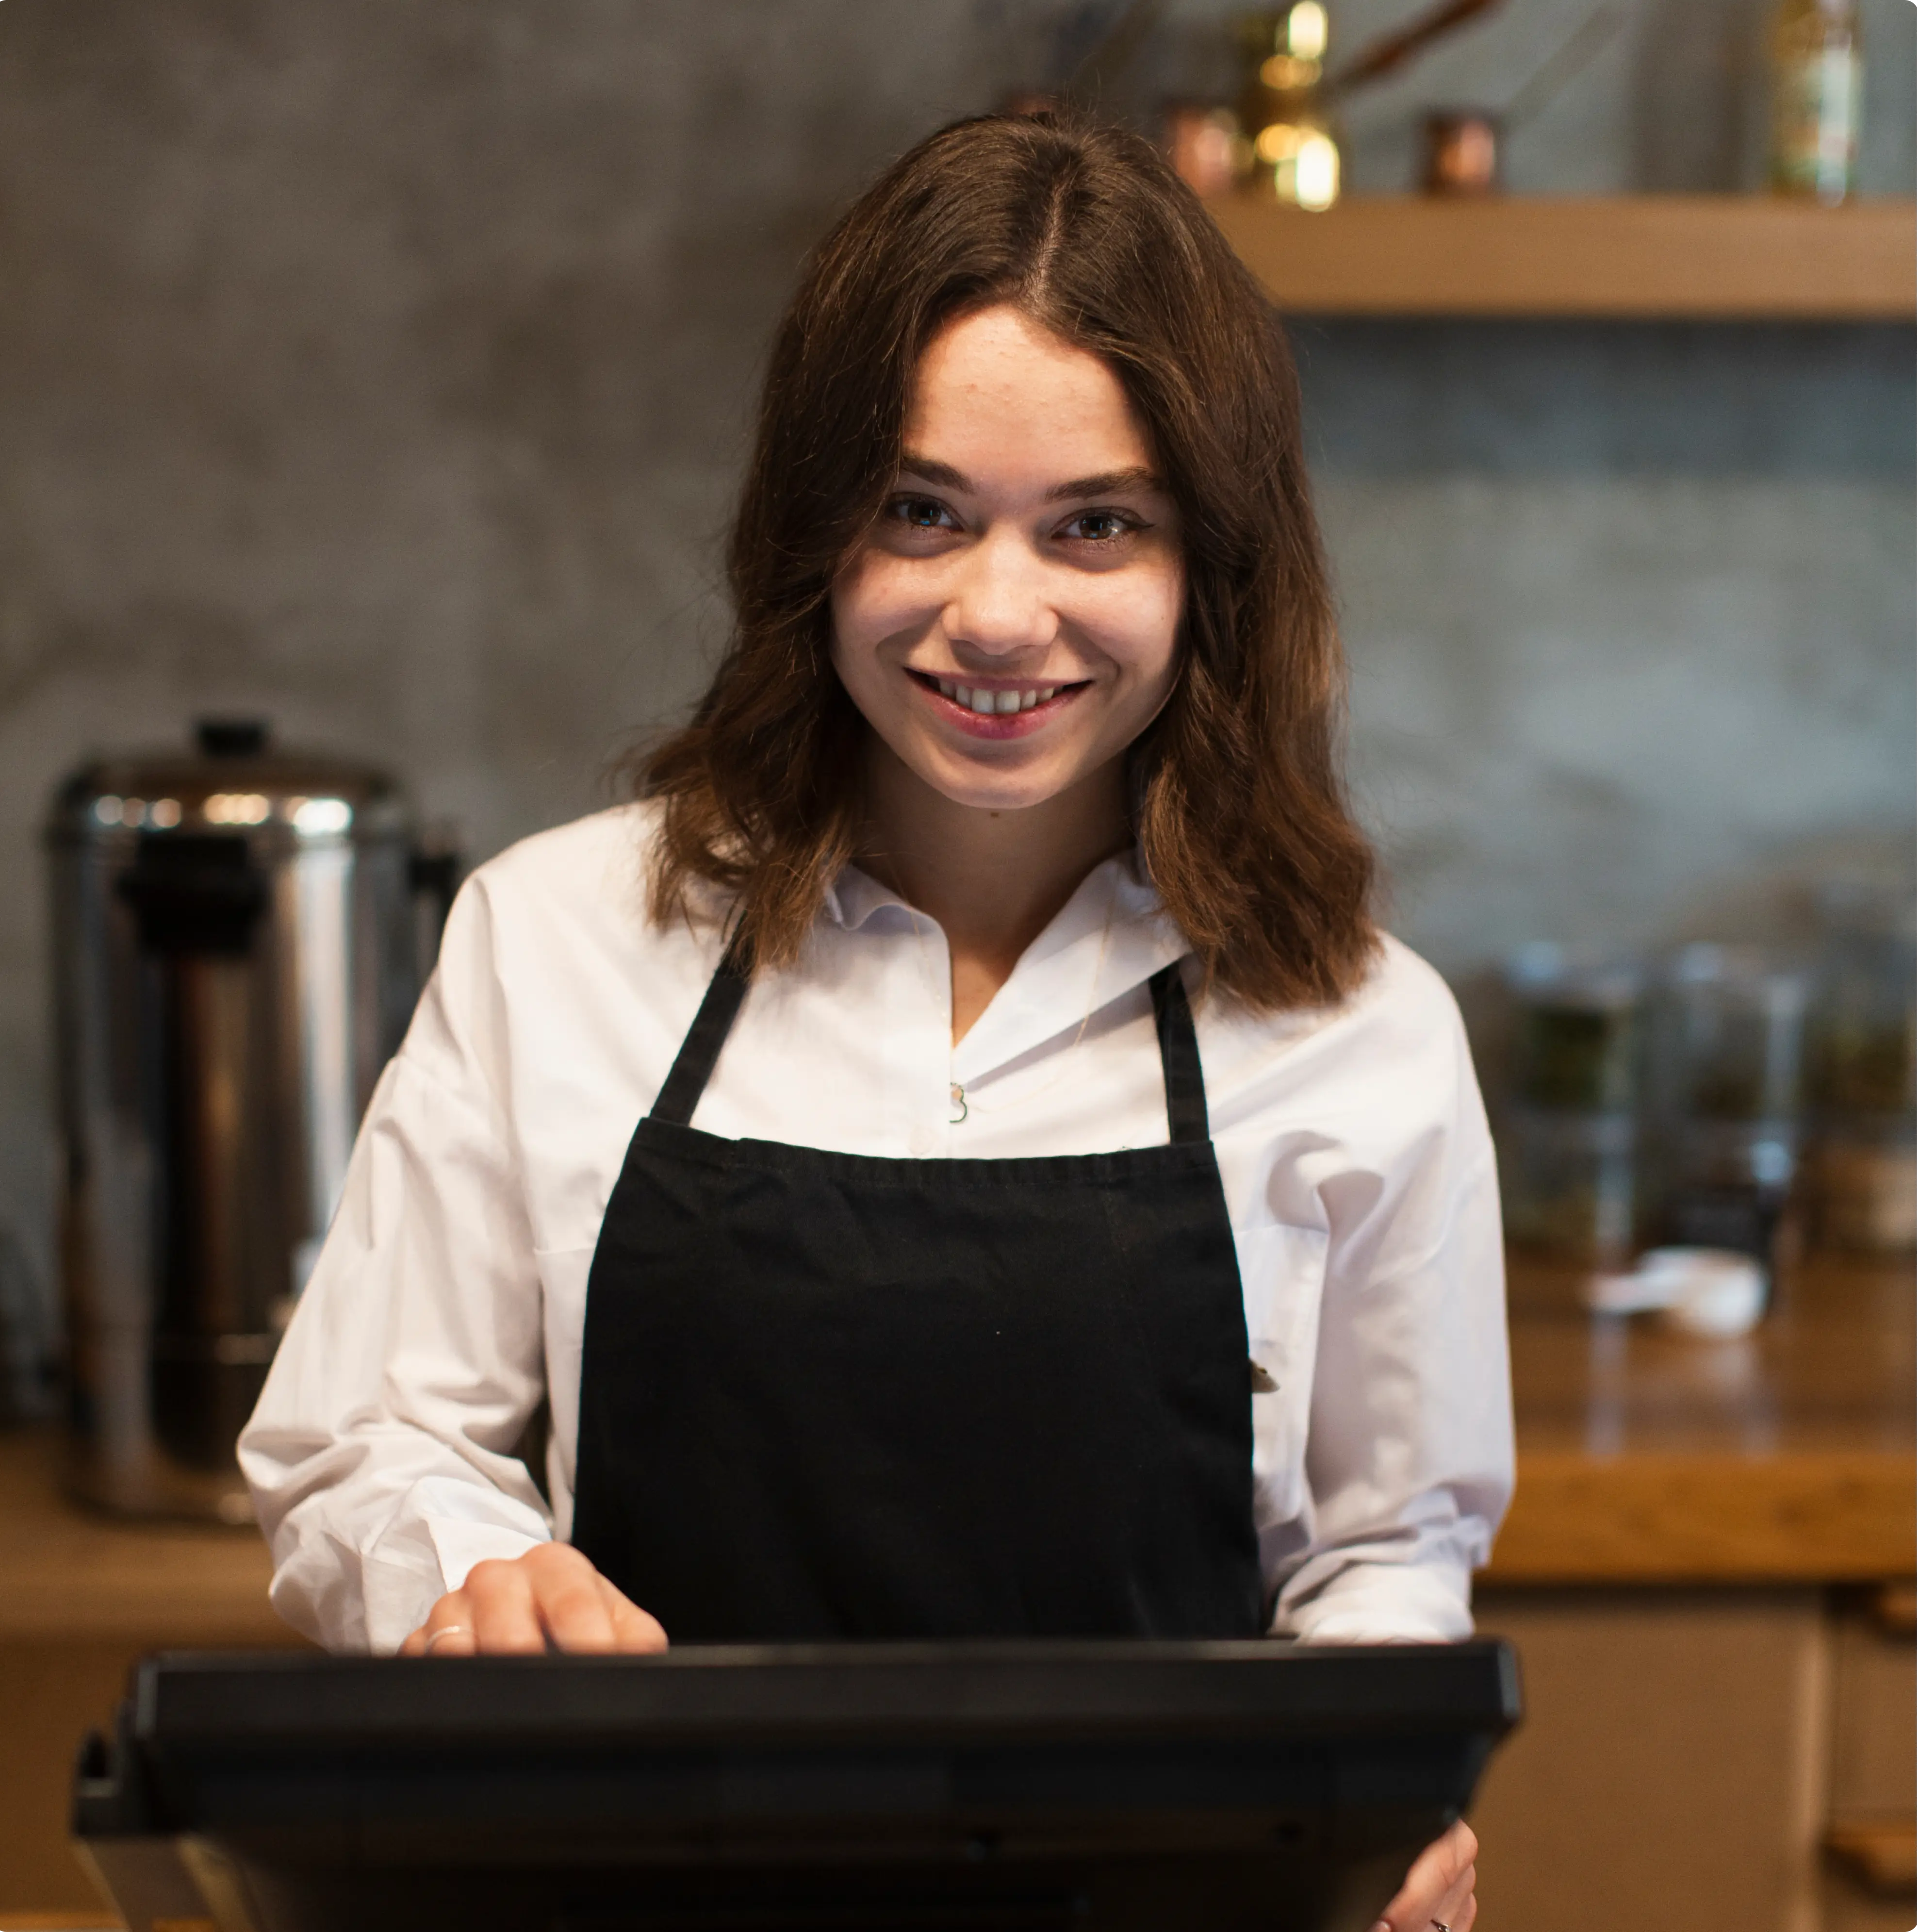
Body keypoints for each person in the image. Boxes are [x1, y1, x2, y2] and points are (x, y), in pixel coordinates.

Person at [241, 113, 1511, 1932]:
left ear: (1211, 568)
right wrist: (481, 1570)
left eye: (1098, 525)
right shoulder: (556, 939)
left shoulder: (1360, 1028)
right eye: (922, 511)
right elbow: (364, 1441)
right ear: (813, 532)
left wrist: (1383, 1792)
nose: (1000, 615)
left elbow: (1387, 1545)